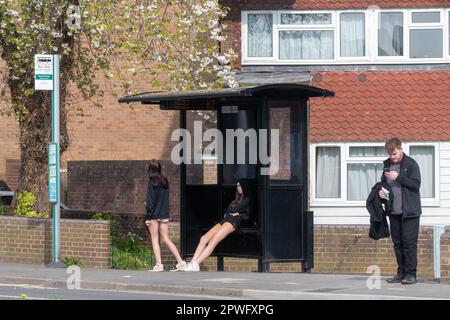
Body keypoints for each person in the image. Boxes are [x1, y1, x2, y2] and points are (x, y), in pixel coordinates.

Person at [183, 179, 252, 272]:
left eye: (239, 186)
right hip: (225, 220)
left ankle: (196, 263)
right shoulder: (237, 199)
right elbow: (227, 211)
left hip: (232, 222)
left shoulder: (247, 199)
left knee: (213, 241)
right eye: (237, 186)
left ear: (244, 186)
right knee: (203, 239)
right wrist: (233, 211)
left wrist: (237, 214)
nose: (238, 188)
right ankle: (192, 263)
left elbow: (242, 214)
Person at [379, 138, 422, 285]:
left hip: (410, 212)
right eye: (390, 154)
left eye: (395, 153)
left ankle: (411, 274)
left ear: (401, 149)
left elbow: (416, 184)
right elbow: (384, 184)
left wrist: (398, 177)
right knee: (397, 244)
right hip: (393, 212)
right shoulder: (387, 166)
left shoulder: (411, 164)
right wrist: (382, 193)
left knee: (409, 243)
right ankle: (401, 273)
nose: (393, 157)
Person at [145, 159, 187, 272]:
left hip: (153, 214)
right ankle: (181, 262)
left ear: (150, 169)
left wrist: (148, 216)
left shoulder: (151, 182)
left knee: (155, 239)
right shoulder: (165, 181)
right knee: (166, 238)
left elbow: (150, 201)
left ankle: (159, 264)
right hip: (164, 213)